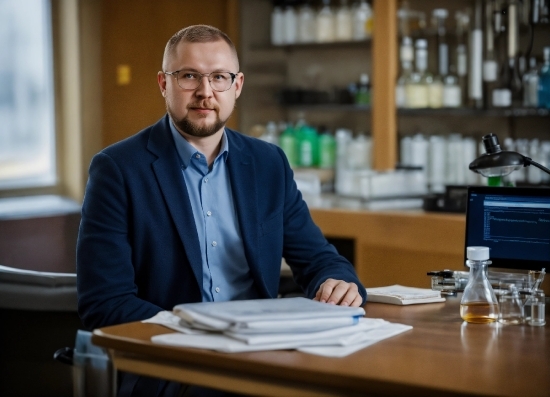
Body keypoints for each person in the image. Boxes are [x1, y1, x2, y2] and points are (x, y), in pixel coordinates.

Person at [76, 24, 366, 397]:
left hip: (263, 359)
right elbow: (104, 302)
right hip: (173, 366)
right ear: (164, 84)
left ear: (238, 86)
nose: (205, 92)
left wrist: (338, 283)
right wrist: (200, 330)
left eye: (219, 77)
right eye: (189, 77)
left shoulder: (268, 163)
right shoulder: (117, 169)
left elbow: (319, 259)